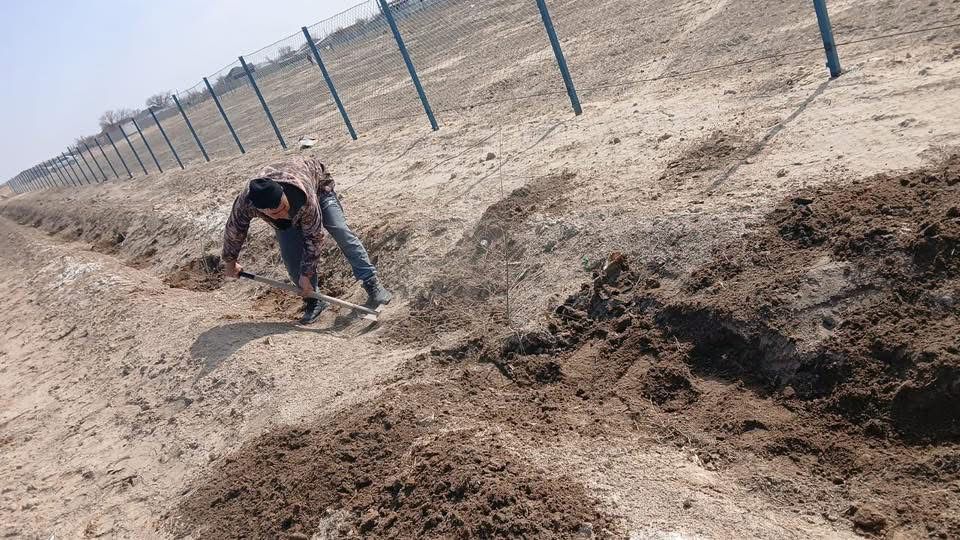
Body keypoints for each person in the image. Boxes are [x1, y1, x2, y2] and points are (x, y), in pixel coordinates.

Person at [221, 156, 392, 324]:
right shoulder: (246, 203)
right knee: (290, 254)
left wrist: (306, 274)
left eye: (283, 207)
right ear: (261, 210)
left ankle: (371, 282)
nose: (284, 214)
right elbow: (234, 230)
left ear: (282, 193)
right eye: (276, 213)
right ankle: (314, 299)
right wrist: (230, 261)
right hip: (288, 200)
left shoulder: (303, 195)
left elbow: (314, 238)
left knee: (339, 229)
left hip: (318, 188)